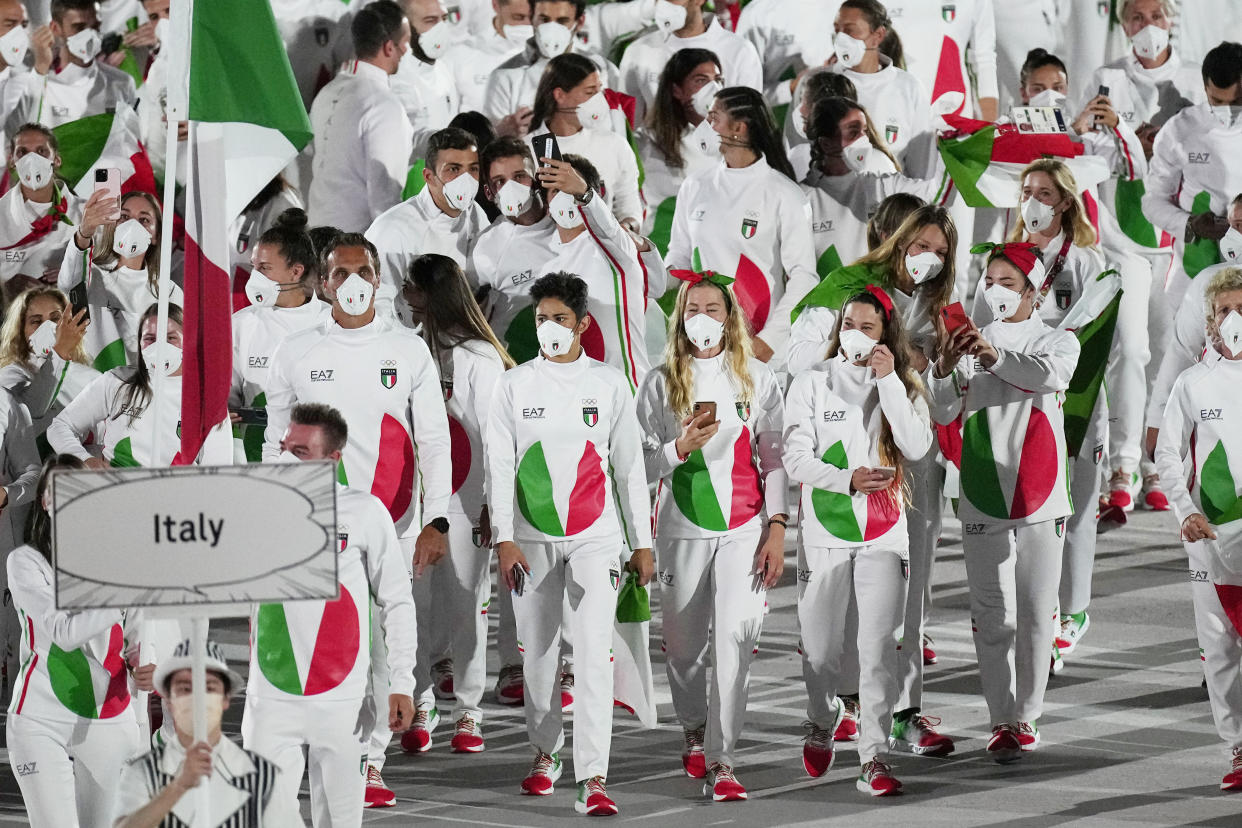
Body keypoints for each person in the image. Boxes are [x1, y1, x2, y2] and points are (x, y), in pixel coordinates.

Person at [259, 234, 451, 800]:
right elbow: (276, 442)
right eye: (340, 274)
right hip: (317, 524)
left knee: (388, 642)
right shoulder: (297, 351)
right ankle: (328, 751)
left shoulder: (408, 348)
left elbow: (434, 439)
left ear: (378, 277)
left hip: (394, 520)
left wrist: (436, 520)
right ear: (322, 283)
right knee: (330, 640)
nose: (353, 282)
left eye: (363, 270)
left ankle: (371, 761)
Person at [787, 203, 957, 756]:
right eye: (918, 244)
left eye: (938, 250)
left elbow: (937, 399)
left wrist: (935, 366)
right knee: (838, 601)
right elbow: (796, 355)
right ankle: (844, 705)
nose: (925, 258)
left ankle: (903, 712)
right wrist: (855, 349)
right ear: (894, 240)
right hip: (844, 457)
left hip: (908, 462)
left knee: (907, 590)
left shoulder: (937, 303)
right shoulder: (846, 286)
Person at [486, 271, 653, 816]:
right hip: (531, 539)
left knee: (593, 656)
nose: (549, 329)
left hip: (596, 539)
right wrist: (506, 539)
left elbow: (628, 469)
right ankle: (544, 753)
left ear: (583, 324)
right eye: (541, 320)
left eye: (560, 319)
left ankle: (594, 776)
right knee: (536, 656)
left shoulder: (608, 384)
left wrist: (641, 543)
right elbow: (500, 465)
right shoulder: (514, 385)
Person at [635, 270, 785, 800]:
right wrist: (678, 447)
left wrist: (778, 527)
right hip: (681, 529)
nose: (702, 319)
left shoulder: (757, 378)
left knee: (734, 646)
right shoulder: (659, 383)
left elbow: (774, 460)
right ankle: (693, 728)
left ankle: (723, 759)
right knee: (682, 647)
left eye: (713, 309)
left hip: (745, 529)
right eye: (692, 309)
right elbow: (637, 467)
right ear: (679, 318)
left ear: (730, 318)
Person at [929, 242, 1079, 762]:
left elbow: (1047, 377)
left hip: (1041, 490)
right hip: (982, 488)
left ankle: (1028, 716)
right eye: (989, 279)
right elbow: (944, 411)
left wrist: (995, 357)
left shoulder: (1059, 341)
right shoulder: (967, 342)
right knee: (993, 615)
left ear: (1034, 293)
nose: (994, 289)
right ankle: (1001, 721)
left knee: (1038, 613)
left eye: (1008, 282)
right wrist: (943, 370)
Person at [784, 286, 931, 796]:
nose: (856, 335)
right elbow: (795, 458)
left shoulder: (903, 385)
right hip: (825, 530)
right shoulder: (811, 381)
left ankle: (873, 758)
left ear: (885, 335)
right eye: (849, 324)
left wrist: (889, 380)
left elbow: (914, 445)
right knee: (821, 654)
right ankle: (823, 716)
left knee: (877, 651)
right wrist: (846, 479)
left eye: (868, 327)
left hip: (885, 533)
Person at [971, 160, 1116, 667]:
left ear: (1066, 202)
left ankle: (1071, 612)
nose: (1033, 202)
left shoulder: (1088, 263)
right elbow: (977, 329)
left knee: (1073, 511)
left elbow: (1097, 343)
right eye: (1027, 191)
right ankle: (1034, 616)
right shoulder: (1004, 260)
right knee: (1020, 515)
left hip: (1071, 400)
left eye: (1045, 193)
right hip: (1010, 409)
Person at [245, 402, 418, 824]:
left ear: (333, 458)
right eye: (285, 447)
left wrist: (402, 683)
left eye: (301, 452)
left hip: (342, 702)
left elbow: (396, 600)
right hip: (270, 699)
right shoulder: (253, 507)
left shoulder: (364, 511)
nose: (286, 458)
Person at [1012, 49, 1155, 521]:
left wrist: (1117, 127)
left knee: (1132, 352)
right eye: (1038, 87)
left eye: (1058, 84)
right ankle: (1044, 468)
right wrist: (1064, 132)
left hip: (1109, 256)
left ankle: (1125, 469)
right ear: (1023, 93)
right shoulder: (1017, 138)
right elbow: (1027, 169)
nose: (1048, 94)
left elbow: (1134, 171)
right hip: (1044, 259)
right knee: (1054, 361)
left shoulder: (1089, 139)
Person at [403, 254, 512, 752]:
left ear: (431, 294)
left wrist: (493, 501)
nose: (404, 297)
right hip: (419, 501)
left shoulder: (480, 359)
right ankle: (421, 702)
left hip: (468, 500)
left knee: (468, 606)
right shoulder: (405, 350)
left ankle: (469, 712)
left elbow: (494, 438)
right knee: (417, 606)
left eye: (412, 289)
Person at [6, 453, 146, 827]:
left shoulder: (116, 563)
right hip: (40, 719)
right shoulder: (26, 563)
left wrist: (142, 665)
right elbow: (64, 634)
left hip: (104, 718)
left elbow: (136, 636)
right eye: (60, 490)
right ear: (45, 501)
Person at [1154, 265, 1242, 793]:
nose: (1233, 319)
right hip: (1211, 536)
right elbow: (1166, 453)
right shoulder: (1192, 383)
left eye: (1241, 309)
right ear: (1209, 322)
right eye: (1223, 311)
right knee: (1220, 646)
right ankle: (1237, 746)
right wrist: (1185, 511)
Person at [666, 85, 816, 366]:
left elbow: (804, 276)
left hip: (758, 345)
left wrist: (769, 340)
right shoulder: (695, 185)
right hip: (701, 345)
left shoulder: (784, 193)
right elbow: (678, 258)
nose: (706, 125)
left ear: (738, 128)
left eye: (713, 118)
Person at [114, 639, 302, 828]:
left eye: (209, 688)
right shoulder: (140, 772)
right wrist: (177, 788)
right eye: (185, 688)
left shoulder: (261, 777)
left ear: (225, 699)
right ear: (168, 699)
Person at [47, 303, 232, 467]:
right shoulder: (117, 381)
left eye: (170, 338)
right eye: (150, 338)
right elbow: (59, 427)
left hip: (173, 501)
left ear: (188, 341)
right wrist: (85, 460)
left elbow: (217, 474)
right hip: (114, 495)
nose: (159, 346)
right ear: (139, 343)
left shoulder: (208, 400)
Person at [535, 152, 651, 387]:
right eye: (557, 190)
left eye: (572, 190)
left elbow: (607, 229)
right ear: (546, 204)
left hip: (630, 391)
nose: (567, 197)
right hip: (577, 397)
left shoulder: (614, 248)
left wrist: (584, 194)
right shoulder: (547, 269)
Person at [1142, 41, 1242, 307]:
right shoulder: (1180, 130)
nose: (1228, 112)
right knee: (1186, 346)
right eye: (1217, 101)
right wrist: (1189, 223)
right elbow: (1152, 201)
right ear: (1205, 88)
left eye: (1237, 102)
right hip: (1194, 267)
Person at [230, 209, 331, 463]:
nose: (255, 277)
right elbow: (227, 396)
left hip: (319, 457)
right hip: (255, 455)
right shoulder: (242, 324)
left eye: (264, 268)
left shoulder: (330, 322)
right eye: (254, 267)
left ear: (296, 271)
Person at [799, 97, 940, 278]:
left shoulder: (879, 186)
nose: (864, 140)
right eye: (853, 133)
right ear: (826, 143)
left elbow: (936, 194)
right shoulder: (802, 198)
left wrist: (950, 144)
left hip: (873, 301)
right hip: (822, 303)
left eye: (864, 131)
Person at [307, 0, 414, 233]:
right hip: (353, 248)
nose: (408, 51)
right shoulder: (384, 106)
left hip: (316, 237)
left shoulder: (327, 93)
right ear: (389, 48)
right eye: (405, 43)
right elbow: (385, 203)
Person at [365, 126, 488, 322]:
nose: (466, 179)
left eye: (473, 169)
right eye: (454, 169)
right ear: (429, 177)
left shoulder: (476, 215)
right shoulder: (392, 231)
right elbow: (379, 309)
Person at [57, 190, 182, 372]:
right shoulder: (92, 274)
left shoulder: (169, 292)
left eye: (144, 220)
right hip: (93, 383)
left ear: (156, 236)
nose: (132, 225)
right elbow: (68, 283)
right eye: (124, 216)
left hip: (144, 388)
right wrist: (84, 232)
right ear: (112, 225)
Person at [526, 53, 642, 230]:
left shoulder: (614, 145)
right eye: (590, 92)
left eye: (600, 90)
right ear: (560, 95)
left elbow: (630, 209)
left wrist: (625, 230)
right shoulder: (527, 149)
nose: (600, 100)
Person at [823, 1, 937, 179]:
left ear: (878, 35)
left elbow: (921, 170)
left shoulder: (909, 88)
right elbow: (799, 155)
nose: (840, 38)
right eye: (837, 29)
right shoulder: (819, 83)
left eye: (849, 30)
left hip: (888, 201)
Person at [471, 136, 558, 357]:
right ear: (489, 193)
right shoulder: (486, 247)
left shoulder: (568, 223)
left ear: (537, 179)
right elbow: (474, 314)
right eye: (500, 181)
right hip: (517, 358)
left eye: (520, 176)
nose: (511, 187)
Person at [482, 0, 620, 137]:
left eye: (562, 21)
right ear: (531, 18)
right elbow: (490, 145)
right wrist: (502, 131)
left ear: (580, 22)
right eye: (544, 20)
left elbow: (618, 133)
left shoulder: (604, 71)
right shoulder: (504, 76)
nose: (552, 29)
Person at [619, 0, 762, 122]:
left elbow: (746, 122)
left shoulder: (739, 50)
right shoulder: (637, 51)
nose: (664, 5)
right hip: (655, 154)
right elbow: (629, 122)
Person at [636, 48, 722, 248]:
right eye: (701, 81)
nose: (713, 89)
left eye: (718, 80)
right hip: (662, 247)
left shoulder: (729, 141)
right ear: (677, 90)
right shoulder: (645, 142)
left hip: (712, 248)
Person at [8, 0, 136, 129]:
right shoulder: (34, 84)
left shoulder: (122, 82)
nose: (91, 35)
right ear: (56, 29)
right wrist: (41, 67)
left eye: (95, 27)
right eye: (79, 28)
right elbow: (14, 137)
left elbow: (133, 142)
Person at [0, 286, 96, 442]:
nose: (47, 327)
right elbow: (31, 409)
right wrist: (59, 353)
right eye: (36, 321)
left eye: (55, 319)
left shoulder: (91, 378)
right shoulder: (10, 374)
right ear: (20, 330)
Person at [0, 124, 83, 303]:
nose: (32, 159)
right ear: (12, 161)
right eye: (22, 152)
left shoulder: (84, 213)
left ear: (57, 160)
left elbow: (108, 268)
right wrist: (6, 284)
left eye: (41, 151)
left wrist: (72, 273)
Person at [735, 0, 841, 117]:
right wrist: (791, 87)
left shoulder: (843, 5)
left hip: (838, 115)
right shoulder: (756, 14)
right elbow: (741, 95)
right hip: (778, 123)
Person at [391, 0, 460, 158]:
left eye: (444, 19)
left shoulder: (443, 67)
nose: (441, 28)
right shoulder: (397, 76)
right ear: (405, 28)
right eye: (430, 21)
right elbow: (409, 139)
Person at [440, 0, 532, 114]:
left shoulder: (546, 56)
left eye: (532, 18)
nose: (528, 25)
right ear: (496, 5)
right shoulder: (459, 56)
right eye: (518, 17)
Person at [228, 175, 305, 302]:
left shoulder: (283, 203)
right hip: (232, 298)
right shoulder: (239, 201)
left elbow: (288, 263)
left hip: (262, 302)